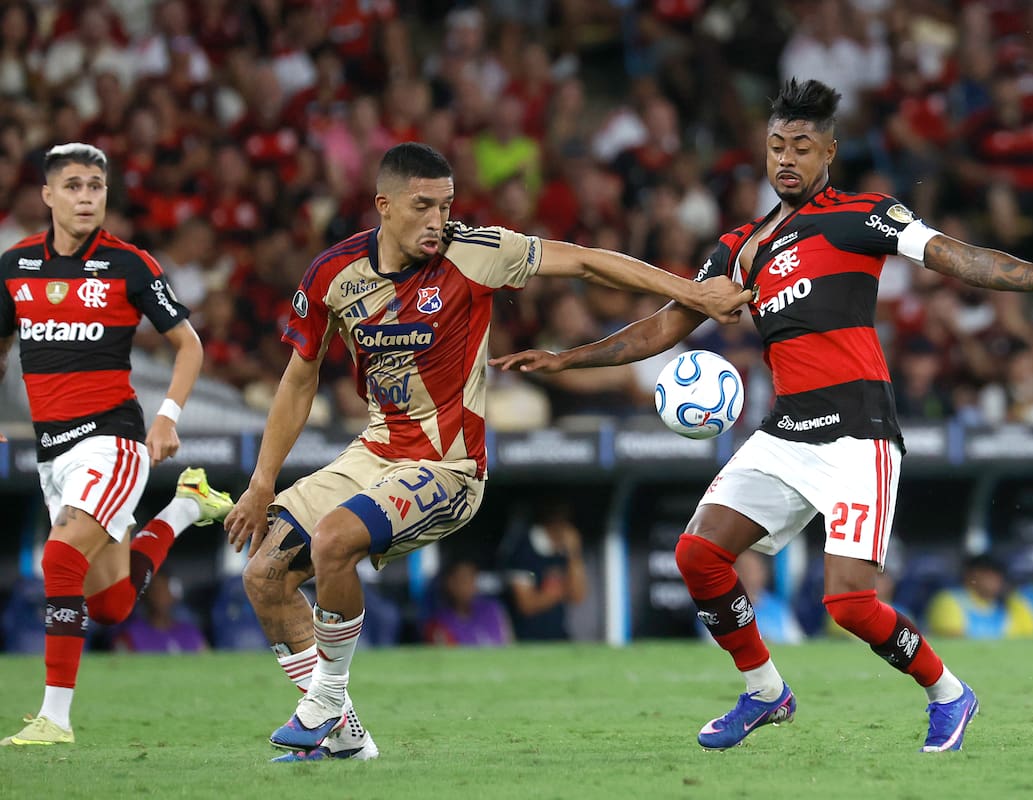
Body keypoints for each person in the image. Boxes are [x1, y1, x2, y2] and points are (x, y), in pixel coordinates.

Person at [491, 79, 1033, 753]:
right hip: (786, 434)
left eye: (802, 146)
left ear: (829, 152)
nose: (786, 159)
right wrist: (571, 360)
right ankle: (766, 691)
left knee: (849, 603)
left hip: (859, 435)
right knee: (698, 555)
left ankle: (949, 693)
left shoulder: (863, 216)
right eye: (776, 146)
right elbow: (669, 324)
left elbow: (960, 258)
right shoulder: (741, 247)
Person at [221, 142, 750, 763]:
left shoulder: (476, 252)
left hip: (448, 469)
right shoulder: (333, 275)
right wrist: (261, 483)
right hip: (374, 451)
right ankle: (344, 738)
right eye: (422, 207)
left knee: (335, 540)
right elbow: (298, 380)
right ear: (383, 206)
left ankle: (325, 702)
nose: (436, 221)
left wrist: (695, 293)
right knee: (263, 575)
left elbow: (583, 262)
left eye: (445, 206)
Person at [0, 143, 234, 746]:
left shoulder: (130, 266)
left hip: (111, 441)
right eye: (73, 186)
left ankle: (54, 718)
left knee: (58, 559)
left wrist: (167, 418)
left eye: (96, 187)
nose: (86, 197)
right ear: (47, 196)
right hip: (55, 453)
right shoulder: (15, 266)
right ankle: (185, 507)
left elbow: (190, 345)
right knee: (108, 606)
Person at [499, 501, 588, 641]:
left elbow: (577, 596)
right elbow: (526, 605)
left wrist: (574, 554)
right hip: (527, 639)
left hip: (559, 637)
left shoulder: (565, 551)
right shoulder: (523, 551)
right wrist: (559, 592)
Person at [925, 553, 1033, 639]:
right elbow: (951, 637)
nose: (995, 579)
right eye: (988, 574)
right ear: (970, 575)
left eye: (998, 575)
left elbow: (1028, 637)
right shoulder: (948, 600)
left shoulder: (1009, 604)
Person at [114, 570, 209, 654]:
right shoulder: (130, 635)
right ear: (145, 596)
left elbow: (207, 662)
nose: (161, 596)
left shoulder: (191, 633)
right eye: (156, 590)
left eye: (165, 590)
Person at [424, 559, 513, 647]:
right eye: (462, 580)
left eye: (471, 579)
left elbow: (510, 646)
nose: (468, 586)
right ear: (449, 583)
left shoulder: (493, 609)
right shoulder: (438, 624)